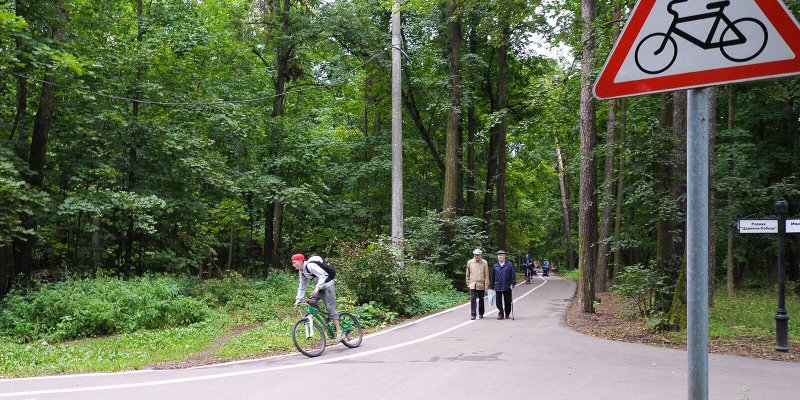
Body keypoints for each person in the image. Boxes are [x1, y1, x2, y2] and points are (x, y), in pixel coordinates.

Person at [291, 253, 343, 342]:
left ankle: (339, 332)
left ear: (301, 261)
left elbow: (322, 276)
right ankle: (326, 318)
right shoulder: (302, 272)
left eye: (295, 262)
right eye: (292, 263)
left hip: (327, 285)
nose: (293, 265)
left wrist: (317, 288)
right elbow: (302, 285)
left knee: (330, 307)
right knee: (310, 301)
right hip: (319, 288)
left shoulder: (310, 266)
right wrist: (298, 300)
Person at [466, 248, 490, 320]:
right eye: (475, 255)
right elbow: (467, 273)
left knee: (481, 299)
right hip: (473, 284)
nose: (476, 256)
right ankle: (473, 314)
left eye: (478, 255)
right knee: (473, 299)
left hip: (481, 284)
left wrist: (486, 285)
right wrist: (468, 283)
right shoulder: (470, 262)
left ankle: (481, 313)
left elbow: (486, 275)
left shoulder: (484, 262)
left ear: (481, 255)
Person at [491, 250, 516, 320]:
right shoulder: (495, 266)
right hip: (498, 285)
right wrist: (492, 286)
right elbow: (492, 276)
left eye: (501, 255)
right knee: (498, 301)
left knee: (508, 301)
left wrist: (512, 283)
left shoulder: (509, 264)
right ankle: (501, 313)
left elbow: (513, 275)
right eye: (499, 255)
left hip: (507, 285)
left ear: (504, 256)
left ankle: (507, 313)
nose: (500, 257)